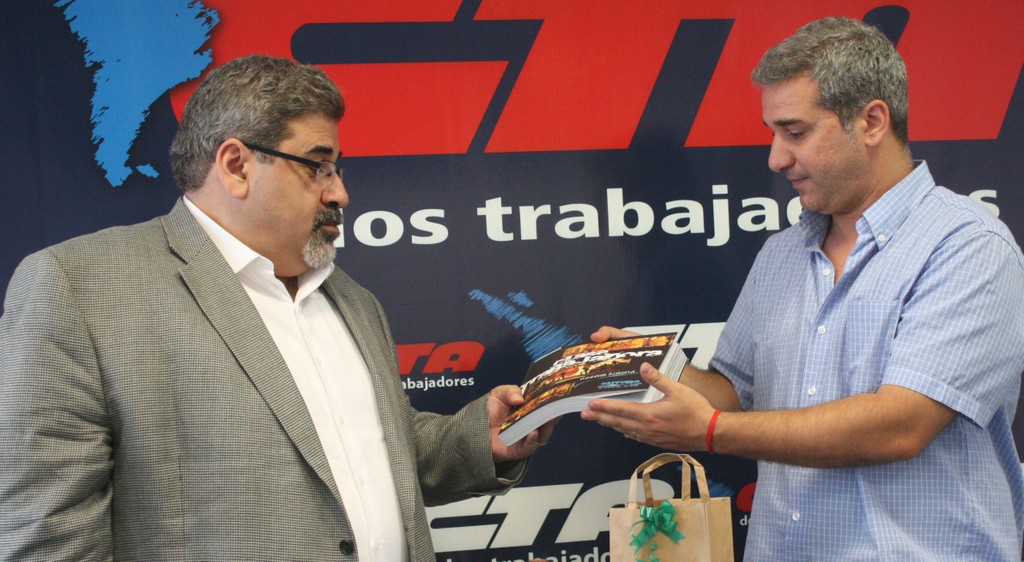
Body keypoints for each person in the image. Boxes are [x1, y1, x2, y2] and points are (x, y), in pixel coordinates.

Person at [0, 54, 552, 561]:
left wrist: (479, 440)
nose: (339, 194)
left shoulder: (354, 301)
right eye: (317, 166)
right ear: (236, 165)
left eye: (337, 169)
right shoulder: (79, 288)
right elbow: (48, 538)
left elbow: (377, 455)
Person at [582, 16, 1024, 560]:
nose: (775, 158)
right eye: (773, 133)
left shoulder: (968, 246)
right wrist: (648, 367)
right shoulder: (782, 254)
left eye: (795, 132)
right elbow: (736, 393)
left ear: (872, 122)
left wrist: (711, 431)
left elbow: (900, 426)